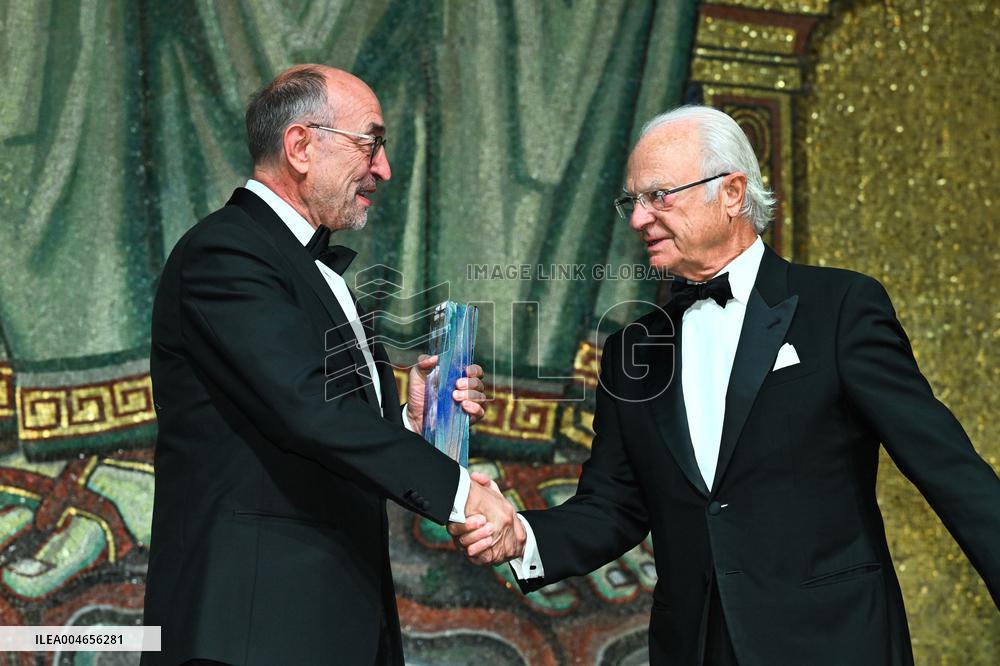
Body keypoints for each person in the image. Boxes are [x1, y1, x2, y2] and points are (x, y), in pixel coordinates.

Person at [451, 105, 1000, 665]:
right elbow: (613, 505)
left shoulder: (839, 308)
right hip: (695, 647)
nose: (639, 219)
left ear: (733, 193)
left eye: (659, 196)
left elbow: (946, 466)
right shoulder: (631, 351)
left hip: (835, 642)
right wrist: (521, 535)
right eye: (632, 201)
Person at [142, 64, 515, 665]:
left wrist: (408, 420)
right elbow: (306, 408)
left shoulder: (302, 263)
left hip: (330, 622)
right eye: (370, 143)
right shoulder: (226, 252)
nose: (384, 169)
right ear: (300, 146)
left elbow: (312, 420)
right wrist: (462, 498)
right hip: (253, 630)